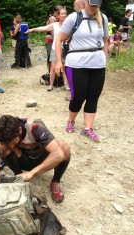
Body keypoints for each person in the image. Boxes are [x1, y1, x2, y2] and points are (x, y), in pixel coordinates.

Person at [55, 0, 108, 142]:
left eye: (97, 5)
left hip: (98, 63)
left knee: (93, 96)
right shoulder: (74, 17)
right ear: (85, 2)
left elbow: (105, 40)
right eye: (92, 4)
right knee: (78, 96)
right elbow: (59, 39)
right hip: (77, 63)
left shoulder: (103, 18)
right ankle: (71, 120)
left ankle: (88, 128)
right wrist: (59, 61)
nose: (94, 7)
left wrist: (105, 57)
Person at [0, 115, 71, 204]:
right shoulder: (1, 131)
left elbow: (58, 154)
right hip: (24, 159)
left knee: (64, 148)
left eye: (12, 142)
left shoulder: (36, 129)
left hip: (40, 159)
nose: (10, 146)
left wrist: (32, 173)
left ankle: (55, 181)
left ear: (19, 130)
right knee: (1, 145)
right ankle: (19, 177)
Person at [27, 7, 69, 92]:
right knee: (52, 67)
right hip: (54, 48)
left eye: (65, 13)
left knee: (64, 67)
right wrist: (33, 29)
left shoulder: (68, 25)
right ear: (58, 16)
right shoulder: (54, 25)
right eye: (62, 13)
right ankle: (51, 84)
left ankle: (66, 84)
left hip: (64, 49)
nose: (64, 15)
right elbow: (43, 28)